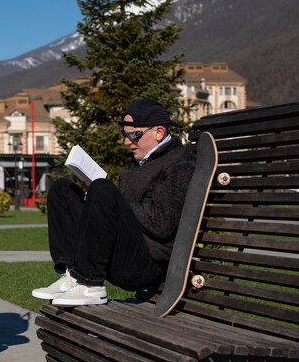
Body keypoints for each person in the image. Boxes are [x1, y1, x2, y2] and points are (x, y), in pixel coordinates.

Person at [32, 99, 196, 306]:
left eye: (134, 135)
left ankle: (89, 284)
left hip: (144, 265)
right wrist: (98, 201)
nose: (127, 142)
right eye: (125, 135)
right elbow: (127, 209)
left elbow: (161, 223)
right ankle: (71, 275)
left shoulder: (180, 163)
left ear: (159, 132)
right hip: (122, 253)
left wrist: (113, 198)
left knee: (102, 187)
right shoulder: (141, 162)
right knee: (62, 190)